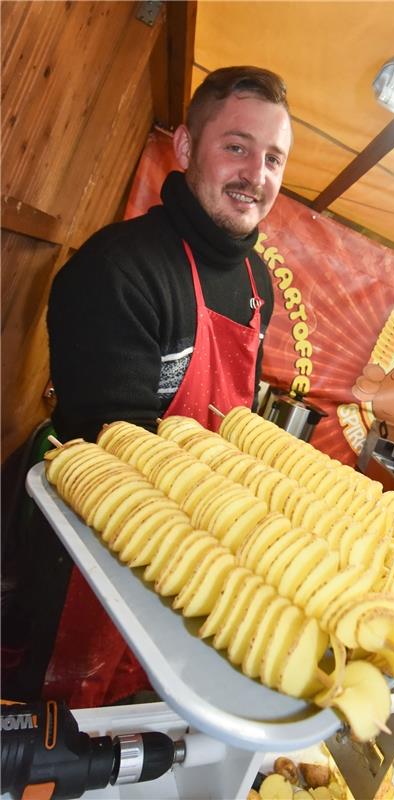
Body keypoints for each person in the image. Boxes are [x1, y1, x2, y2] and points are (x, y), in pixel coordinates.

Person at [17, 66, 293, 707]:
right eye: (237, 147)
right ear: (188, 148)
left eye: (274, 157)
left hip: (189, 574)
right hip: (92, 564)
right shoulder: (116, 269)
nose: (257, 174)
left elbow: (234, 420)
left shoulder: (259, 284)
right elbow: (113, 455)